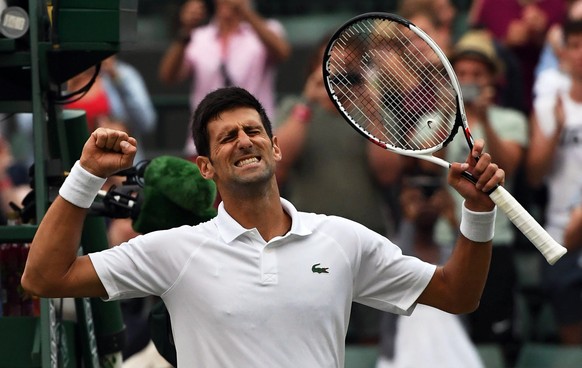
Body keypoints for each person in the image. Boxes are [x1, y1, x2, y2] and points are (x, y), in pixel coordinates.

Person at [22, 86, 505, 367]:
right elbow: (43, 277)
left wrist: (479, 212)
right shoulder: (174, 250)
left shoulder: (342, 238)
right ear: (205, 167)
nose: (243, 141)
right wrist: (87, 175)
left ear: (274, 147)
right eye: (226, 137)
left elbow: (457, 294)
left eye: (252, 131)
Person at [274, 36, 402, 343]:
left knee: (375, 339)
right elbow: (278, 164)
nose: (340, 75)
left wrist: (371, 111)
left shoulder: (375, 111)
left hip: (368, 244)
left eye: (349, 67)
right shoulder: (295, 109)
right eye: (331, 65)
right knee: (317, 338)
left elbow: (388, 173)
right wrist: (308, 101)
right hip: (310, 247)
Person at [431, 29, 529, 354]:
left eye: (478, 73)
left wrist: (484, 118)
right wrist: (448, 112)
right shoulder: (436, 121)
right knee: (447, 347)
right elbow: (423, 167)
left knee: (491, 343)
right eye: (463, 73)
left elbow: (508, 167)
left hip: (495, 243)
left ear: (492, 79)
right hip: (446, 242)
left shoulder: (510, 119)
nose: (470, 79)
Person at [377, 171, 483, 368]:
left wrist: (453, 219)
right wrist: (408, 218)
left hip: (452, 347)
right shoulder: (394, 249)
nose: (426, 202)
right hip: (403, 348)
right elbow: (401, 261)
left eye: (431, 194)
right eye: (418, 196)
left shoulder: (448, 252)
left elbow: (468, 263)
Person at [158, 0, 291, 158]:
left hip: (252, 139)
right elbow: (168, 76)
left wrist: (245, 12)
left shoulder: (266, 29)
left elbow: (282, 52)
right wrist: (186, 30)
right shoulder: (199, 37)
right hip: (206, 142)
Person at [525, 18, 582, 345]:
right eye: (573, 45)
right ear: (562, 54)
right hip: (560, 238)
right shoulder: (548, 107)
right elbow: (534, 175)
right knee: (572, 348)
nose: (580, 53)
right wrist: (557, 129)